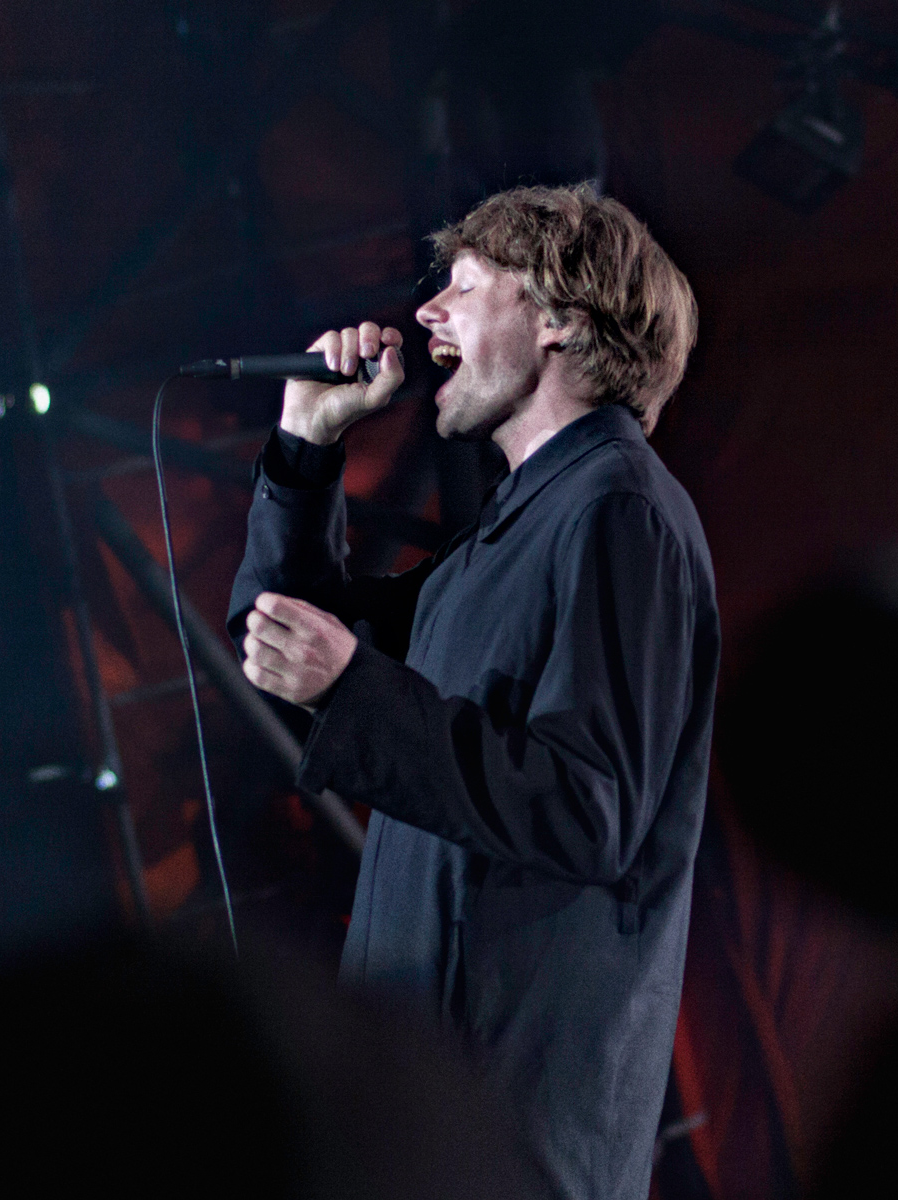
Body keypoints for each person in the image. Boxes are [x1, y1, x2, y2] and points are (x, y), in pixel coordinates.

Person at [228, 184, 718, 1200]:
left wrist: (354, 686)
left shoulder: (618, 510)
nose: (427, 314)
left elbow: (588, 810)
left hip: (510, 1126)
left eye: (462, 285)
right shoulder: (497, 545)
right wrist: (307, 452)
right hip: (429, 1118)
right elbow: (284, 647)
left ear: (559, 318)